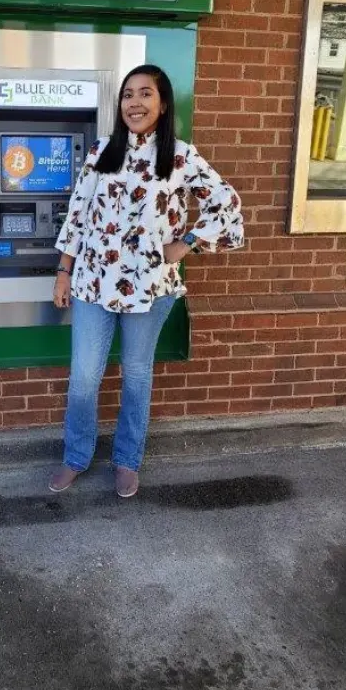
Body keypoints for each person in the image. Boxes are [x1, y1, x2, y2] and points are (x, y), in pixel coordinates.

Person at [48, 64, 246, 498]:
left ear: (163, 103)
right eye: (127, 94)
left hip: (151, 286)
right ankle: (75, 456)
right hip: (94, 283)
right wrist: (64, 271)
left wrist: (186, 243)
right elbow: (78, 214)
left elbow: (227, 203)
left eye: (145, 94)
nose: (134, 103)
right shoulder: (102, 151)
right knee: (84, 377)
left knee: (136, 377)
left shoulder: (181, 157)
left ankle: (127, 460)